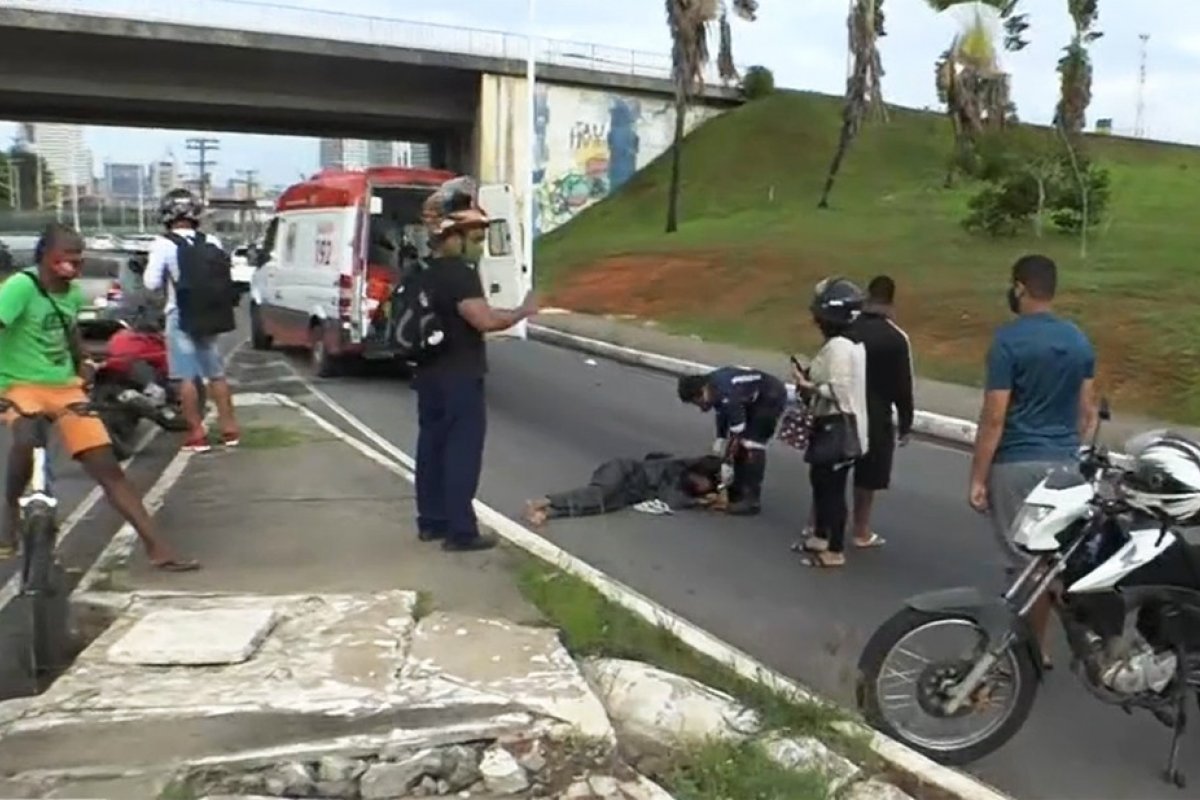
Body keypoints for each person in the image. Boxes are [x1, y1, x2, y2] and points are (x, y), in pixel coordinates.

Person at [0, 223, 196, 570]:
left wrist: (86, 363)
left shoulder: (73, 294)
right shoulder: (19, 288)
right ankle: (11, 510)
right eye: (65, 260)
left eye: (78, 260)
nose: (72, 269)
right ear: (45, 257)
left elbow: (71, 333)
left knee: (108, 468)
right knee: (26, 438)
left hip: (66, 388)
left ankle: (158, 548)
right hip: (20, 386)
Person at [969, 254, 1096, 662]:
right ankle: (1050, 644)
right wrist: (1069, 451)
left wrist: (978, 476)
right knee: (1050, 562)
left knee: (1023, 565)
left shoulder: (1009, 341)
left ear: (1021, 287)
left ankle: (1020, 652)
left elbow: (994, 417)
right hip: (1065, 464)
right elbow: (1088, 413)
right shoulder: (1078, 340)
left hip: (1017, 462)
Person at [414, 178, 538, 552]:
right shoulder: (459, 274)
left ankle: (431, 522)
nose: (480, 247)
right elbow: (482, 320)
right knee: (461, 454)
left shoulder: (423, 270)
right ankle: (461, 532)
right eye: (476, 238)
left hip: (427, 375)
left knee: (430, 450)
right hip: (460, 378)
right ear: (454, 236)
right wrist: (522, 311)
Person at [143, 188, 240, 453]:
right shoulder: (212, 241)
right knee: (216, 374)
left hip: (180, 315)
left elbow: (150, 283)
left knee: (185, 377)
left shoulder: (163, 244)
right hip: (210, 314)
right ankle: (230, 429)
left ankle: (197, 433)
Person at [792, 277, 869, 568]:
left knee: (832, 489)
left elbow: (839, 390)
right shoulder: (848, 345)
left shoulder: (839, 347)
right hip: (832, 424)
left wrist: (807, 385)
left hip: (838, 426)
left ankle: (834, 548)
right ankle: (820, 537)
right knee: (821, 483)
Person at [844, 275, 915, 547]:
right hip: (876, 414)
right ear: (891, 302)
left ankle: (817, 524)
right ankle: (860, 531)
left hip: (842, 408)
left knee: (833, 472)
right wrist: (906, 423)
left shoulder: (846, 329)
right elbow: (903, 384)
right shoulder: (897, 338)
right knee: (868, 477)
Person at [676, 366, 787, 516]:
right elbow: (722, 414)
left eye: (698, 403)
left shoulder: (726, 391)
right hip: (751, 399)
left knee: (751, 444)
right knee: (741, 445)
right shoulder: (712, 386)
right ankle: (737, 490)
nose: (701, 408)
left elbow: (737, 431)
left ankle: (751, 500)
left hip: (770, 396)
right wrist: (720, 439)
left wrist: (727, 462)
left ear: (702, 392)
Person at [523, 453, 725, 525]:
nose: (705, 489)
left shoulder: (686, 487)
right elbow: (673, 498)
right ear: (699, 475)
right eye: (707, 483)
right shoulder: (675, 470)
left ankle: (547, 512)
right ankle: (543, 501)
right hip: (624, 472)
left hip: (629, 493)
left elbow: (674, 500)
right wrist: (701, 502)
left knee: (601, 506)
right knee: (597, 495)